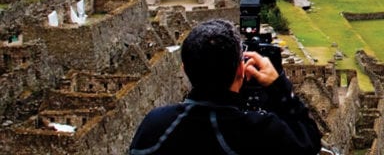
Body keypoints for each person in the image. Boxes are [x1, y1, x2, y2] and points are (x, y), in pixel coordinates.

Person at [129, 19, 322, 154]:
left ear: (185, 69)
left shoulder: (154, 127)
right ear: (241, 68)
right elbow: (308, 142)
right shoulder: (257, 133)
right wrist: (278, 86)